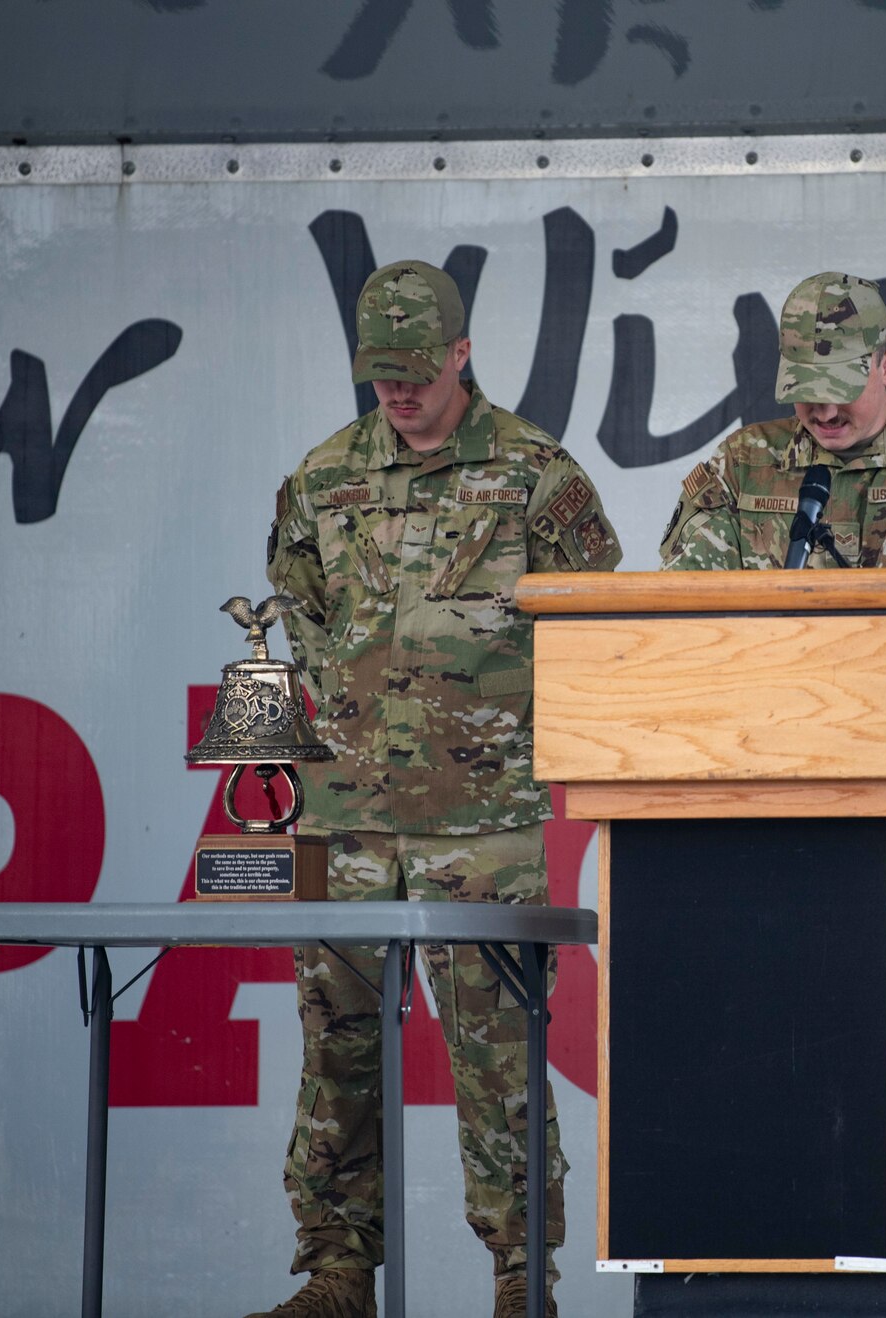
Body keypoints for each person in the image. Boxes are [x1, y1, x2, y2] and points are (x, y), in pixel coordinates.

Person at [661, 272, 886, 1316]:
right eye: (802, 389)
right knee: (764, 1039)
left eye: (839, 385)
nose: (818, 410)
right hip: (763, 818)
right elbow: (671, 609)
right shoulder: (743, 464)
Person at [257, 260, 623, 1318]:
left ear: (461, 353)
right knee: (334, 1046)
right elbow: (302, 618)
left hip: (483, 820)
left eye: (416, 372)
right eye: (381, 377)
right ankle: (335, 1272)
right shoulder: (322, 480)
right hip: (346, 817)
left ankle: (520, 1278)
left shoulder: (533, 476)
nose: (400, 394)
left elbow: (597, 624)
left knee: (497, 1054)